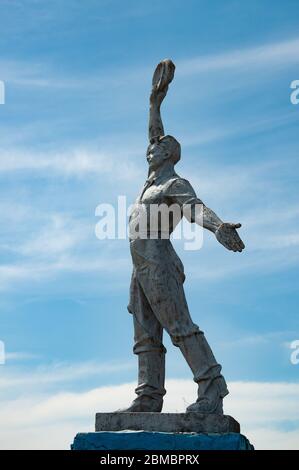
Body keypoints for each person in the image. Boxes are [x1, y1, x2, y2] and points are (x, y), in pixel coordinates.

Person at [120, 60, 245, 414]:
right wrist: (154, 104)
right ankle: (148, 395)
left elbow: (195, 208)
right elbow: (153, 132)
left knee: (179, 326)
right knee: (145, 333)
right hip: (139, 265)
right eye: (151, 146)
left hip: (159, 261)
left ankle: (211, 387)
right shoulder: (151, 180)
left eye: (158, 146)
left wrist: (217, 226)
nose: (151, 147)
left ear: (169, 154)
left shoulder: (175, 183)